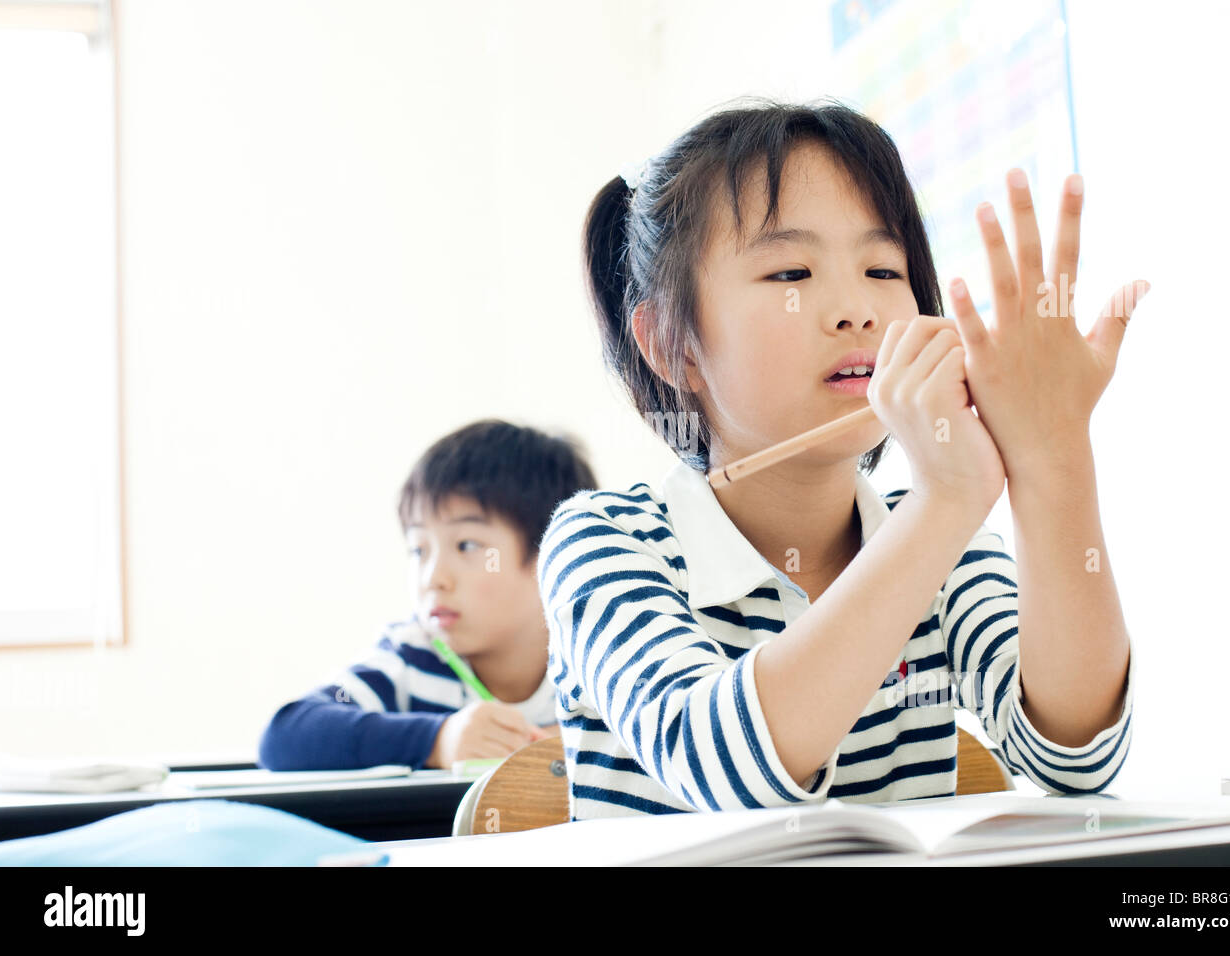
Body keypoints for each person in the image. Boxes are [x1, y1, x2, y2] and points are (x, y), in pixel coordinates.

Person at [538, 98, 1144, 820]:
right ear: (671, 343)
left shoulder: (945, 551)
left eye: (884, 270)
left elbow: (1077, 758)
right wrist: (944, 503)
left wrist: (1053, 453)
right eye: (792, 274)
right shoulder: (605, 544)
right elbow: (722, 767)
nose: (855, 309)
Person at [259, 419, 598, 770]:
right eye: (419, 550)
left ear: (554, 556)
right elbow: (285, 736)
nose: (433, 578)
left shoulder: (596, 656)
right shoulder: (412, 656)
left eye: (466, 545)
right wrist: (438, 740)